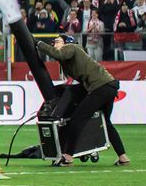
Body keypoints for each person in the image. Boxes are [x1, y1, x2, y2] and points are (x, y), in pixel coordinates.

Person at [38, 34, 129, 167]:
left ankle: (68, 157)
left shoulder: (71, 47)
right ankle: (123, 157)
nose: (54, 44)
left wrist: (39, 44)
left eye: (57, 41)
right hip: (109, 86)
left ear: (67, 42)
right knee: (106, 123)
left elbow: (58, 55)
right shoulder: (74, 53)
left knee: (76, 120)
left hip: (100, 87)